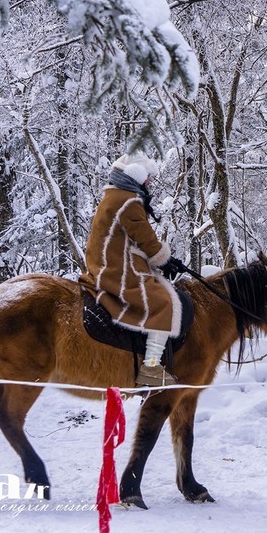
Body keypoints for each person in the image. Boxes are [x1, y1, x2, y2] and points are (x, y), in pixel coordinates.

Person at [80, 153, 188, 386]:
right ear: (135, 175)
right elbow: (146, 239)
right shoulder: (128, 201)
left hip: (107, 261)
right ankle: (150, 368)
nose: (149, 182)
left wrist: (164, 259)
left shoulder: (113, 195)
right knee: (163, 303)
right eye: (147, 177)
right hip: (116, 267)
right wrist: (163, 258)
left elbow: (135, 239)